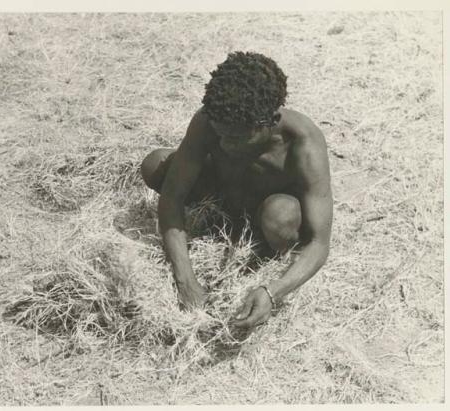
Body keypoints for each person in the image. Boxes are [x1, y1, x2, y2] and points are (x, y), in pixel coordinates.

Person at [140, 51, 333, 331]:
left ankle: (259, 246)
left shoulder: (303, 142)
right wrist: (185, 278)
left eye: (238, 137)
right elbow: (172, 196)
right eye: (221, 135)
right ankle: (221, 225)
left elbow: (318, 243)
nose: (226, 145)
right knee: (155, 164)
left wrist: (272, 291)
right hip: (225, 198)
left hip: (269, 214)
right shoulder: (208, 121)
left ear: (270, 119)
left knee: (280, 215)